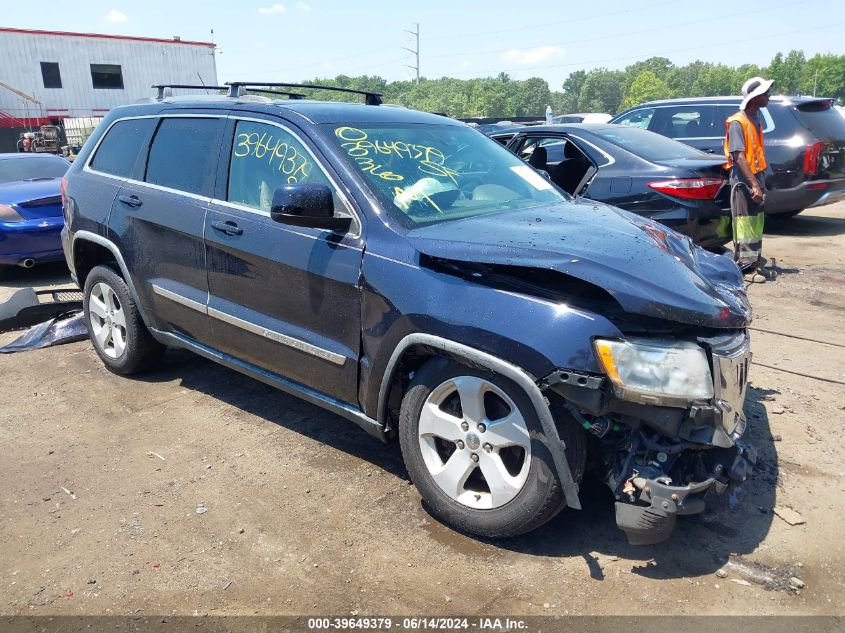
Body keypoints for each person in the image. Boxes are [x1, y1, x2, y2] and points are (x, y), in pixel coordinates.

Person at [724, 76, 776, 280]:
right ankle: (745, 269)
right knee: (744, 224)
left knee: (756, 222)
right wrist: (753, 184)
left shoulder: (756, 119)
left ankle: (754, 262)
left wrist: (760, 180)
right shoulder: (738, 122)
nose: (768, 96)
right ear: (755, 98)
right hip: (744, 182)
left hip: (756, 178)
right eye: (765, 93)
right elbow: (738, 156)